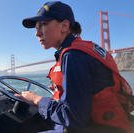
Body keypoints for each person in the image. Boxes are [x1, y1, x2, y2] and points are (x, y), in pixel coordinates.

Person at [15, 1, 134, 133]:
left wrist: (37, 100)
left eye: (43, 24)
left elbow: (73, 118)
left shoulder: (73, 56)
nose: (37, 33)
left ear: (64, 26)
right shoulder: (84, 49)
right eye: (36, 28)